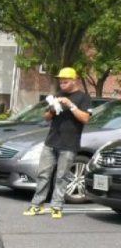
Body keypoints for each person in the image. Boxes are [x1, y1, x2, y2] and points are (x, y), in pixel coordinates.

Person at [23, 67, 92, 219]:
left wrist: (71, 105)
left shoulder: (83, 98)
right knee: (43, 174)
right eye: (60, 81)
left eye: (65, 81)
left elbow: (86, 119)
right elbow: (46, 117)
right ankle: (37, 205)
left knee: (62, 176)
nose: (62, 83)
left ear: (74, 80)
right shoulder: (57, 95)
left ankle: (56, 207)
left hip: (69, 144)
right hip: (51, 141)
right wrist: (53, 109)